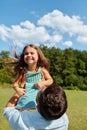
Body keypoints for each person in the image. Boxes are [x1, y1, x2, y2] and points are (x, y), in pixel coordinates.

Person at [4, 83, 69, 130]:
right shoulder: (64, 121)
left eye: (41, 91)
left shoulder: (23, 122)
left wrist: (18, 93)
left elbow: (8, 109)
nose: (42, 86)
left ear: (37, 107)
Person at [12, 44, 53, 109]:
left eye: (32, 53)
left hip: (39, 100)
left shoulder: (42, 70)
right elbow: (15, 83)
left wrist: (42, 83)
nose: (29, 55)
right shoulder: (23, 71)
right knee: (22, 116)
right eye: (26, 53)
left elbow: (50, 80)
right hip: (25, 99)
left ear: (38, 56)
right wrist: (17, 89)